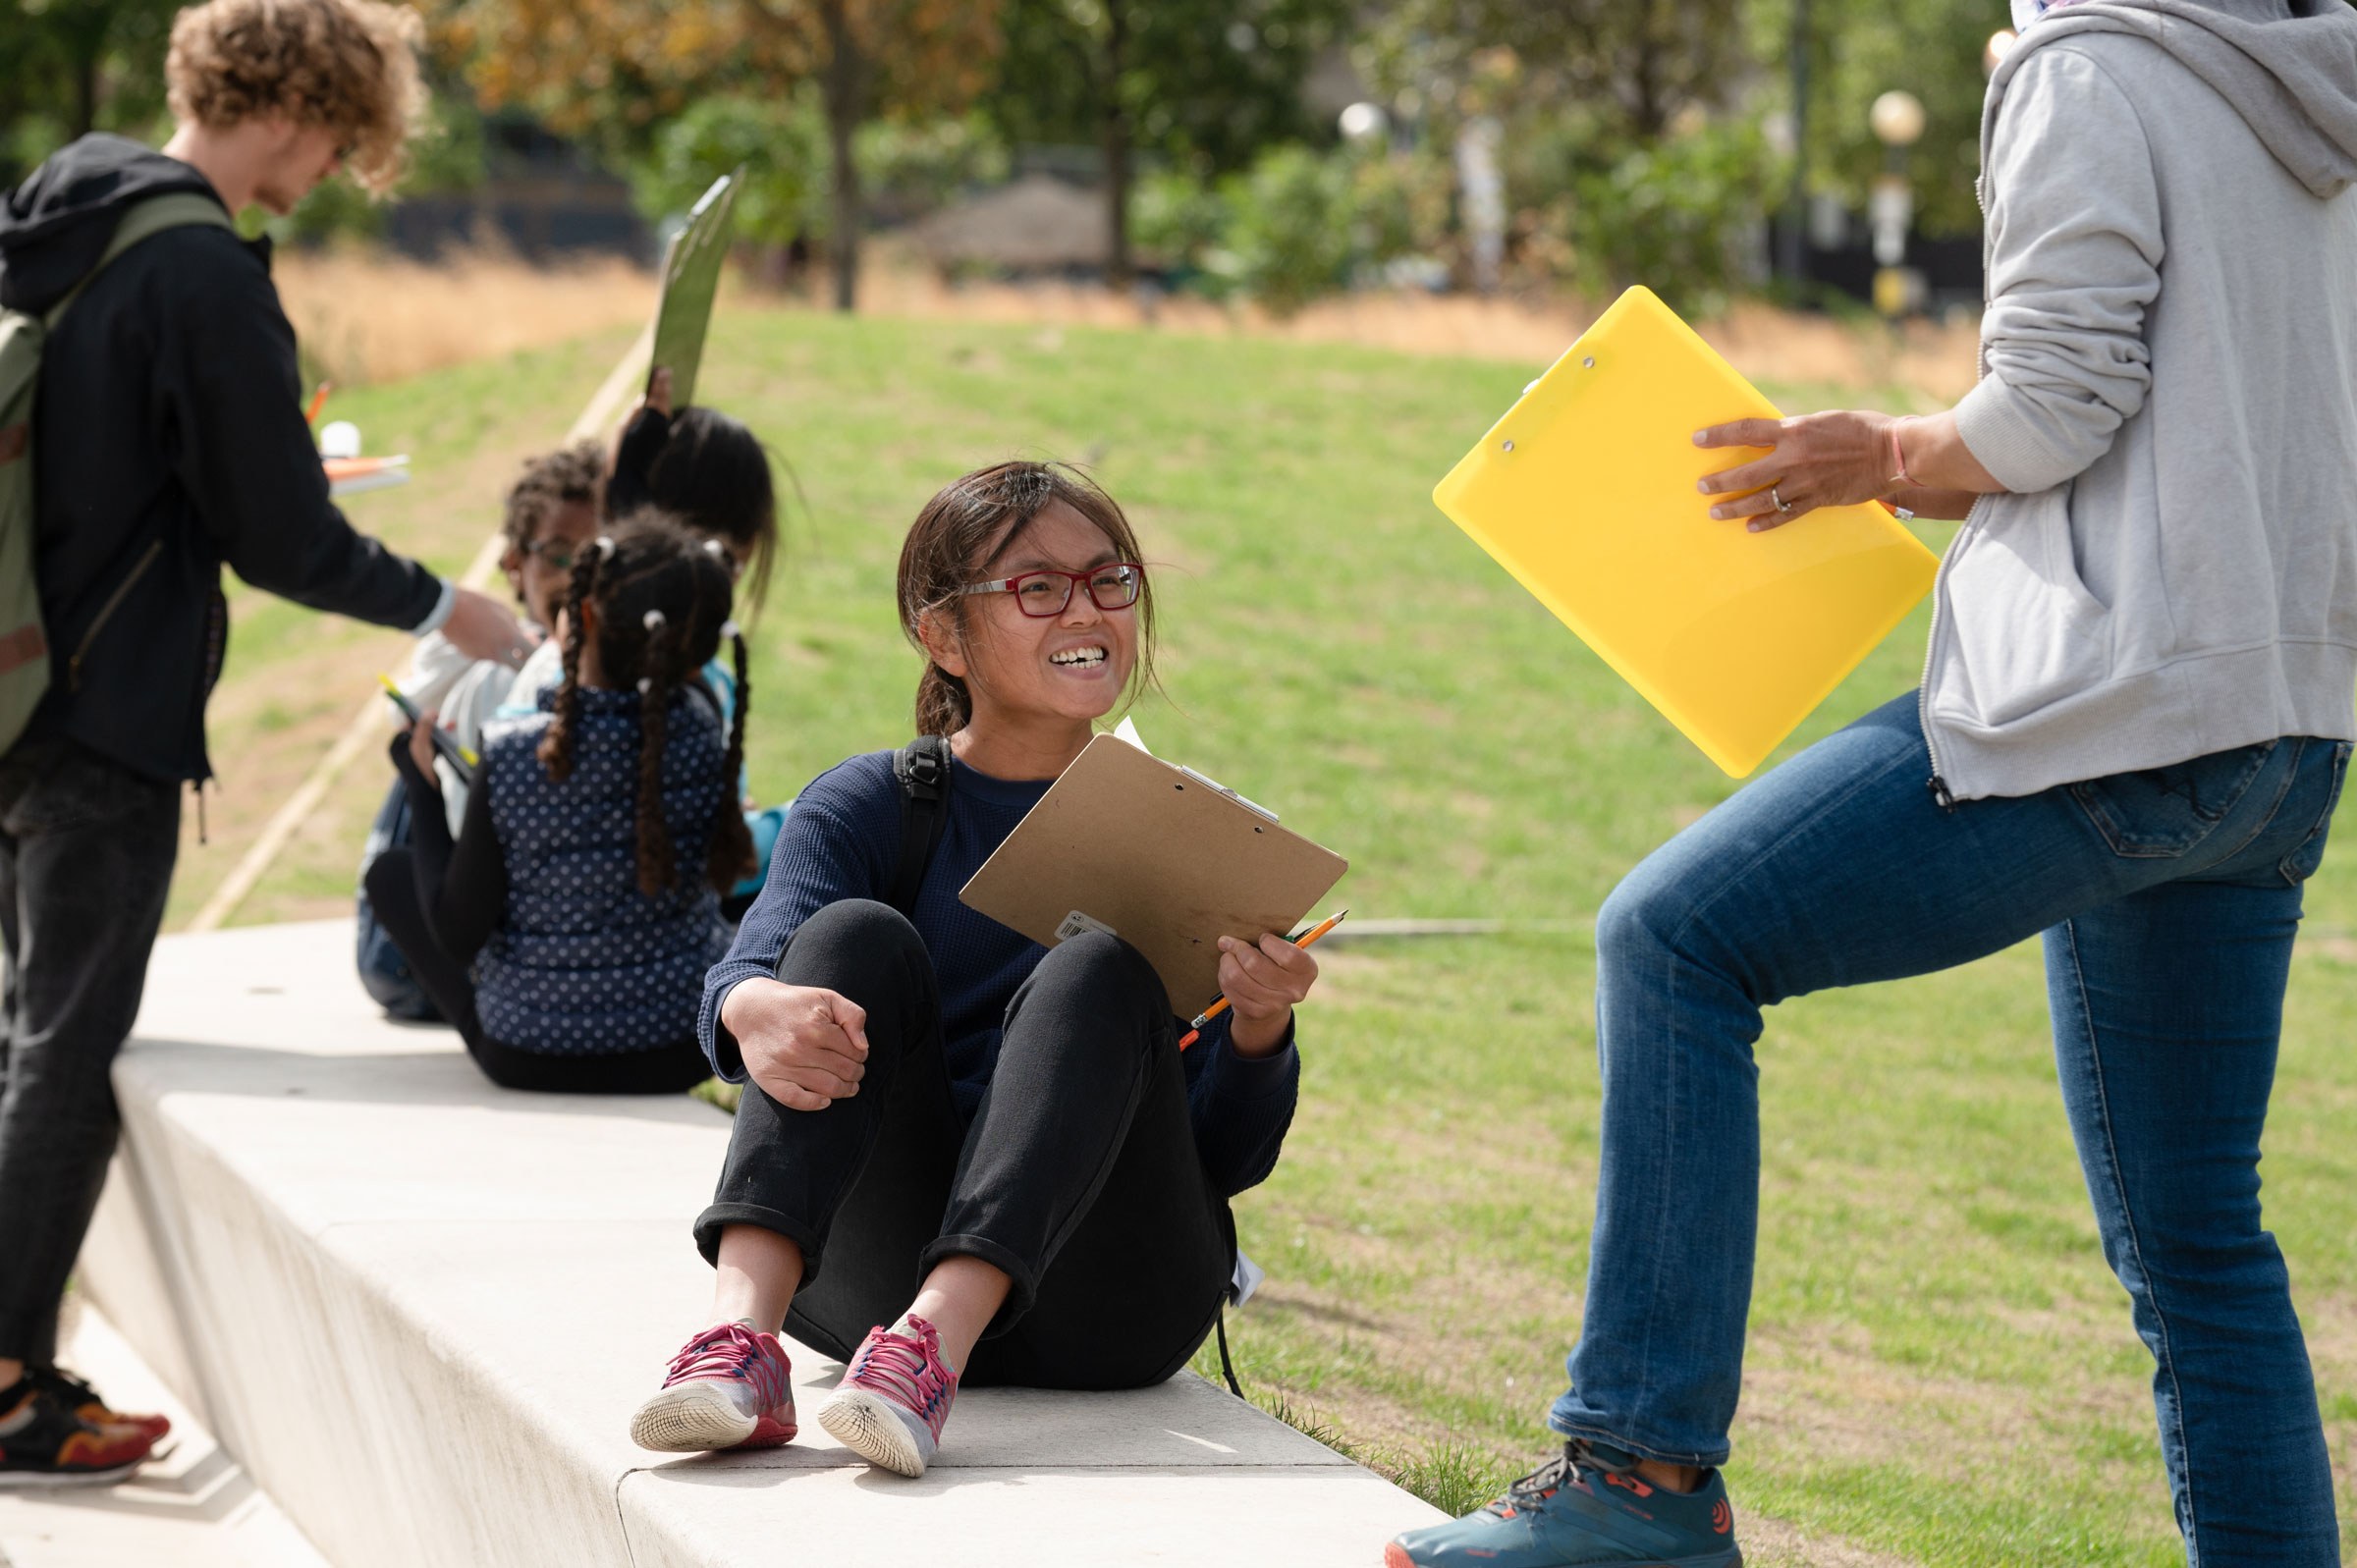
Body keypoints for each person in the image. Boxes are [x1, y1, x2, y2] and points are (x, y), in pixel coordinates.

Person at [1391, 4, 2357, 1567]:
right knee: (2203, 1243)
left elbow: (2053, 399)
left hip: (2114, 711)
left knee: (1675, 938)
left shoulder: (2086, 59)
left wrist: (1881, 451)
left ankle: (1639, 1489)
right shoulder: (2312, 77)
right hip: (2283, 730)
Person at [0, 0, 521, 1487]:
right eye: (345, 139)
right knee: (63, 1051)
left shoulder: (65, 205)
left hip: (10, 685)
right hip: (103, 715)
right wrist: (447, 603)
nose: (336, 167)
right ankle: (5, 1377)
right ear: (302, 105)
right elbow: (281, 536)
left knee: (21, 1028)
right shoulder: (200, 270)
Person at [627, 460, 1321, 1478]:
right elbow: (749, 967)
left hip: (1112, 1301)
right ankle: (739, 1345)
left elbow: (1225, 1158)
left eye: (1108, 578)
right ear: (943, 633)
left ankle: (931, 1352)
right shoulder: (870, 804)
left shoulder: (1178, 826)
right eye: (1038, 587)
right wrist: (749, 1004)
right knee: (847, 936)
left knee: (1099, 969)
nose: (1085, 608)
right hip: (872, 1280)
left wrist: (1258, 1026)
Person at [363, 516, 748, 1095]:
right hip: (682, 1045)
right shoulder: (700, 723)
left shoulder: (515, 754)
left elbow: (456, 933)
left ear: (585, 615)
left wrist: (421, 787)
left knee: (390, 874)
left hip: (527, 1052)